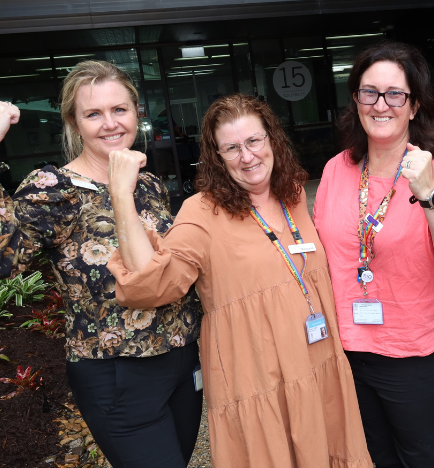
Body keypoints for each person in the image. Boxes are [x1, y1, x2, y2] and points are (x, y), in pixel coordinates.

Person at [106, 94, 373, 468]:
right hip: (257, 379)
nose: (247, 157)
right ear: (217, 157)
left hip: (317, 363)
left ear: (272, 140)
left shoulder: (293, 193)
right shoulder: (202, 211)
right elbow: (152, 286)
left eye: (253, 141)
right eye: (231, 148)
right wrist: (121, 196)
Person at [0, 60, 202, 468]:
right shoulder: (53, 189)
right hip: (117, 376)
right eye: (93, 114)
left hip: (182, 364)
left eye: (119, 110)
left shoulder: (146, 183)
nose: (110, 123)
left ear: (136, 113)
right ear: (74, 124)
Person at [312, 41, 434, 468]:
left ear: (413, 106)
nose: (381, 104)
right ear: (356, 100)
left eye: (395, 94)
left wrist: (429, 196)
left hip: (414, 352)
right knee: (371, 455)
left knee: (420, 456)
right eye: (369, 92)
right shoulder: (336, 170)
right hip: (348, 346)